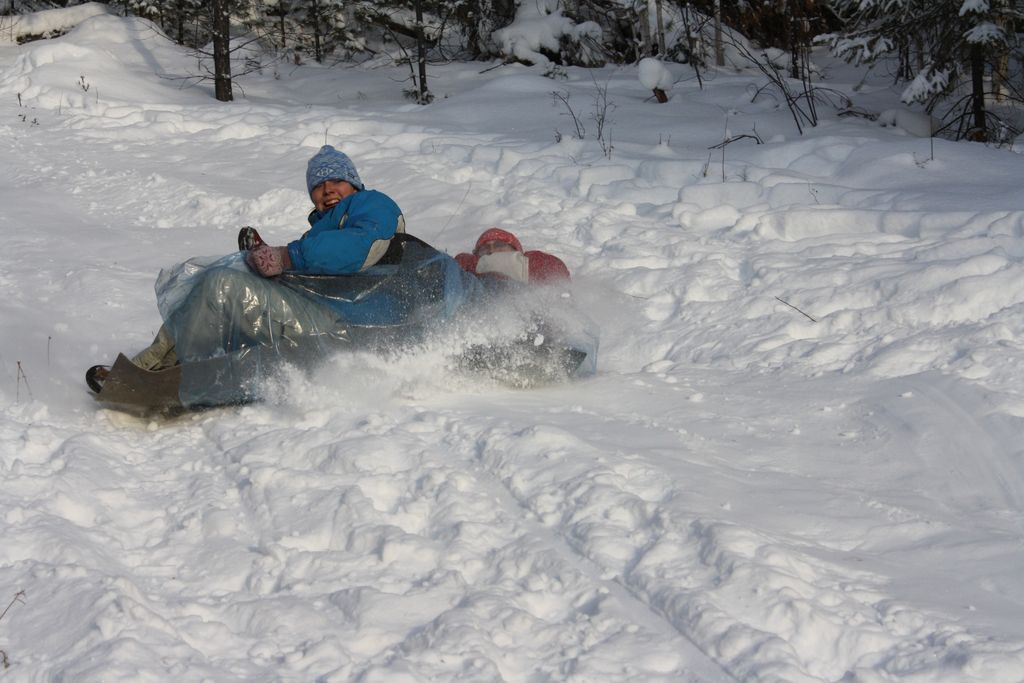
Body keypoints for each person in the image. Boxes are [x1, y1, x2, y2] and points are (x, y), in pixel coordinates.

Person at [87, 144, 417, 403]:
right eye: (318, 185)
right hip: (332, 318)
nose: (328, 189)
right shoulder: (318, 232)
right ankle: (175, 366)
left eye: (337, 181)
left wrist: (288, 256)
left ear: (355, 183)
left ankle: (160, 371)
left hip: (351, 325)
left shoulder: (372, 205)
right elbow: (319, 269)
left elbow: (363, 246)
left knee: (220, 286)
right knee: (223, 288)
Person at [454, 228, 570, 284]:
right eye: (483, 248)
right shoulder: (469, 274)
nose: (491, 250)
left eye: (499, 245)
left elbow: (557, 273)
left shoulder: (537, 262)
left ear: (517, 251)